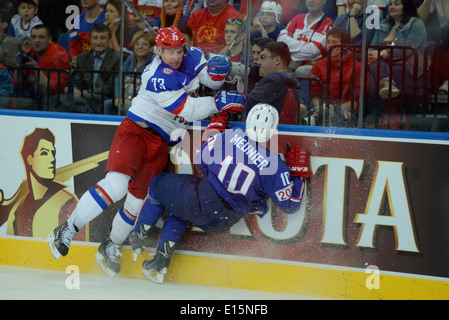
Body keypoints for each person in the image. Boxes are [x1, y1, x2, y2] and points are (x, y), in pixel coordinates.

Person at [48, 26, 246, 276]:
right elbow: (187, 109)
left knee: (136, 202)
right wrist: (218, 102)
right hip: (136, 133)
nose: (175, 56)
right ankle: (67, 228)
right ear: (158, 50)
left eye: (178, 50)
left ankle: (110, 245)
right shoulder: (156, 75)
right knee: (116, 185)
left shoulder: (192, 55)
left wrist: (217, 70)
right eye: (169, 52)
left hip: (162, 143)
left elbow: (208, 77)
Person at [130, 104, 310, 283]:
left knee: (157, 184)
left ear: (247, 121)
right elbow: (291, 205)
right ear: (272, 130)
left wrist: (214, 133)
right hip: (224, 221)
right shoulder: (275, 166)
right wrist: (300, 176)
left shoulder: (230, 136)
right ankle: (160, 263)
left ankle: (138, 235)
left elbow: (201, 160)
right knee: (180, 212)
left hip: (202, 199)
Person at [5, 128, 85, 239]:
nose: (52, 159)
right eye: (44, 153)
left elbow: (78, 249)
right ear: (30, 159)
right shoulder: (16, 211)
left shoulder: (68, 204)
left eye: (53, 153)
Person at [367, 0, 427, 125]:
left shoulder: (416, 24)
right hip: (385, 66)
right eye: (391, 4)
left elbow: (409, 49)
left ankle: (374, 121)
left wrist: (382, 53)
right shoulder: (383, 24)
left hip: (409, 68)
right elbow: (373, 46)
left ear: (406, 7)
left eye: (397, 4)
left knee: (375, 78)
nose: (392, 7)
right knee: (373, 70)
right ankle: (386, 83)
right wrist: (372, 54)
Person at [310, 27, 363, 127]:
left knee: (328, 112)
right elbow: (315, 95)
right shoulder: (319, 64)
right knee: (302, 110)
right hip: (321, 110)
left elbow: (355, 102)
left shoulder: (357, 67)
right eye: (328, 42)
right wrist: (320, 108)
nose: (330, 45)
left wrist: (331, 108)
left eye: (334, 42)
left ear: (345, 46)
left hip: (347, 113)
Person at [245, 41, 307, 125]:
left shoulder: (274, 79)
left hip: (270, 134)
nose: (259, 62)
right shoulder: (288, 78)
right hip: (281, 133)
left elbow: (248, 103)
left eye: (263, 57)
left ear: (277, 60)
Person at [14, 24, 71, 110]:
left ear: (49, 39)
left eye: (41, 37)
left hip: (54, 98)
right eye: (33, 37)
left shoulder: (58, 55)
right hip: (33, 95)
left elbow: (51, 89)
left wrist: (36, 69)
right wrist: (18, 67)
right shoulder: (28, 53)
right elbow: (18, 85)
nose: (37, 40)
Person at [277, 0, 334, 78]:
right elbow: (280, 40)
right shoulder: (297, 18)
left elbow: (313, 51)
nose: (311, 1)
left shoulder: (328, 24)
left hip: (311, 69)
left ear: (324, 1)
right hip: (289, 66)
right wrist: (306, 44)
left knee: (300, 71)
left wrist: (290, 48)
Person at [104, 30, 156, 115]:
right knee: (107, 104)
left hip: (141, 100)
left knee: (129, 105)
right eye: (137, 44)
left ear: (151, 48)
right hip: (123, 97)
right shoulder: (131, 59)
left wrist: (129, 98)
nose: (140, 47)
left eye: (145, 44)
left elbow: (147, 84)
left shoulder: (154, 61)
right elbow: (119, 77)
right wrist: (118, 96)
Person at [68, 0, 105, 66]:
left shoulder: (106, 18)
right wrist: (75, 58)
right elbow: (73, 45)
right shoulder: (77, 20)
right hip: (81, 65)